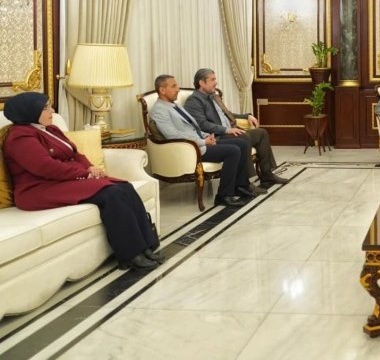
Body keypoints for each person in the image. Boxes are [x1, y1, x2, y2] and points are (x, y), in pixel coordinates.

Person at [3, 92, 163, 271]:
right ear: (30, 111)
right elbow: (45, 167)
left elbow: (75, 154)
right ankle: (131, 254)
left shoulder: (51, 129)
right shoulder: (19, 137)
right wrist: (84, 174)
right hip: (37, 189)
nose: (52, 111)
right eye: (46, 107)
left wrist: (90, 167)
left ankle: (147, 246)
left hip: (60, 181)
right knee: (112, 194)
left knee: (124, 186)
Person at [149, 74, 252, 207]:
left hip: (199, 142)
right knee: (233, 151)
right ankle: (224, 195)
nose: (178, 89)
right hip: (190, 149)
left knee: (241, 143)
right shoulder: (159, 110)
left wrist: (206, 136)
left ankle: (240, 186)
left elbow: (193, 127)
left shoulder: (174, 105)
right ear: (162, 90)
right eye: (173, 86)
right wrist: (203, 142)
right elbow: (173, 135)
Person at [184, 68, 287, 189]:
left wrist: (246, 116)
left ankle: (267, 174)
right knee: (243, 137)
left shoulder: (213, 96)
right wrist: (227, 130)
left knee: (262, 133)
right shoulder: (194, 100)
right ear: (202, 83)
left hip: (230, 131)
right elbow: (202, 124)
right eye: (212, 80)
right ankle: (245, 182)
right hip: (217, 136)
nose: (216, 83)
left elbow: (228, 114)